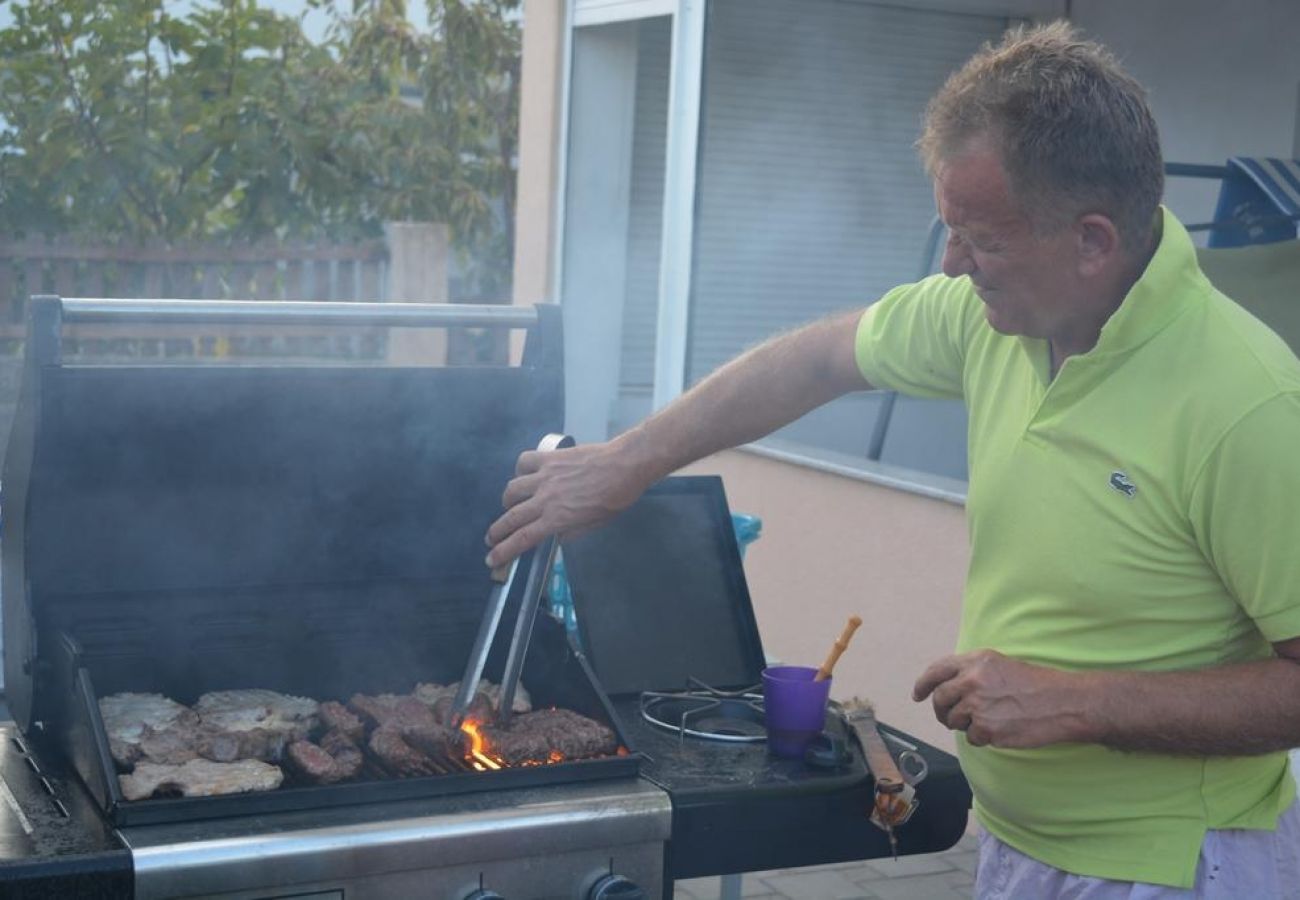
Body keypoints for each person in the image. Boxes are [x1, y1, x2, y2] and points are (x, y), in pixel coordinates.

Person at [487, 21, 1300, 899]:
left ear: (1092, 242)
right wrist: (627, 463)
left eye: (980, 236)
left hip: (1176, 870)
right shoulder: (995, 322)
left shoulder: (1245, 404)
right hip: (1021, 849)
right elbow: (818, 359)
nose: (953, 263)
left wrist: (1079, 703)